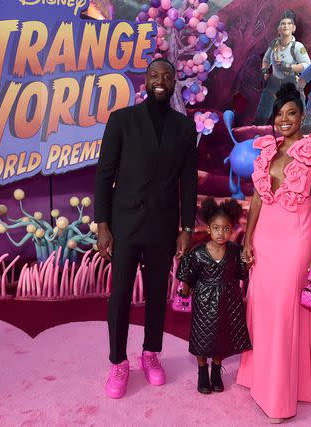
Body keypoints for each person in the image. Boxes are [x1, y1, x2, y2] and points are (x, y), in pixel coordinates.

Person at [94, 58, 198, 399]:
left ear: (174, 83)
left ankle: (151, 354)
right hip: (125, 224)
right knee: (120, 293)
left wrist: (185, 227)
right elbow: (104, 175)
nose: (160, 80)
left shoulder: (183, 127)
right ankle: (118, 362)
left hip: (163, 225)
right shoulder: (122, 120)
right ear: (145, 80)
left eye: (167, 76)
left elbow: (187, 181)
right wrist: (103, 225)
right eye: (155, 75)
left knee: (156, 293)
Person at [236, 83, 311, 423]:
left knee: (284, 310)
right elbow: (258, 198)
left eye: (291, 113)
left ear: (302, 116)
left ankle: (278, 396)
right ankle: (255, 377)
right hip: (265, 237)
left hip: (296, 237)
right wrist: (247, 239)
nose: (284, 120)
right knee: (261, 307)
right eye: (279, 115)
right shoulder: (267, 151)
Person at [176, 198, 251, 394]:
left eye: (226, 229)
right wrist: (185, 289)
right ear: (208, 229)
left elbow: (241, 273)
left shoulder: (235, 251)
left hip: (229, 301)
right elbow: (187, 273)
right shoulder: (198, 252)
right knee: (203, 336)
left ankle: (216, 370)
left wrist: (247, 264)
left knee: (221, 337)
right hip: (204, 301)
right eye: (216, 228)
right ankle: (202, 371)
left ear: (231, 229)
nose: (221, 233)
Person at [253, 9, 311, 126]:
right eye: (283, 24)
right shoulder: (274, 44)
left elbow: (307, 65)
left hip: (290, 82)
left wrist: (288, 66)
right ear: (279, 28)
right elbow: (266, 60)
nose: (286, 26)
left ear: (293, 28)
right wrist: (265, 72)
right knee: (261, 115)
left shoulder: (298, 46)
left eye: (289, 24)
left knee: (297, 115)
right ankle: (256, 135)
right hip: (274, 82)